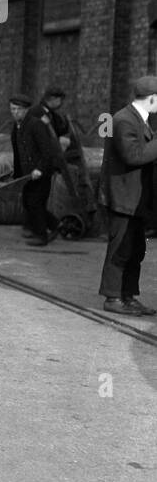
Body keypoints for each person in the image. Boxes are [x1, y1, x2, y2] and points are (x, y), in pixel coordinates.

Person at [97, 77, 157, 315]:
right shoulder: (123, 120)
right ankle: (112, 298)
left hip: (135, 199)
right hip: (122, 198)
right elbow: (133, 155)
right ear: (152, 98)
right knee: (120, 249)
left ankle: (128, 296)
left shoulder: (139, 120)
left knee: (135, 249)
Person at [9, 93, 67, 246]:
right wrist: (16, 174)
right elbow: (17, 153)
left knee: (35, 203)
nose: (15, 112)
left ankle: (42, 236)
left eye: (18, 109)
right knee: (29, 203)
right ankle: (55, 225)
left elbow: (47, 150)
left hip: (40, 173)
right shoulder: (16, 127)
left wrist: (40, 169)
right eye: (12, 109)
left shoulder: (36, 125)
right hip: (27, 174)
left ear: (26, 110)